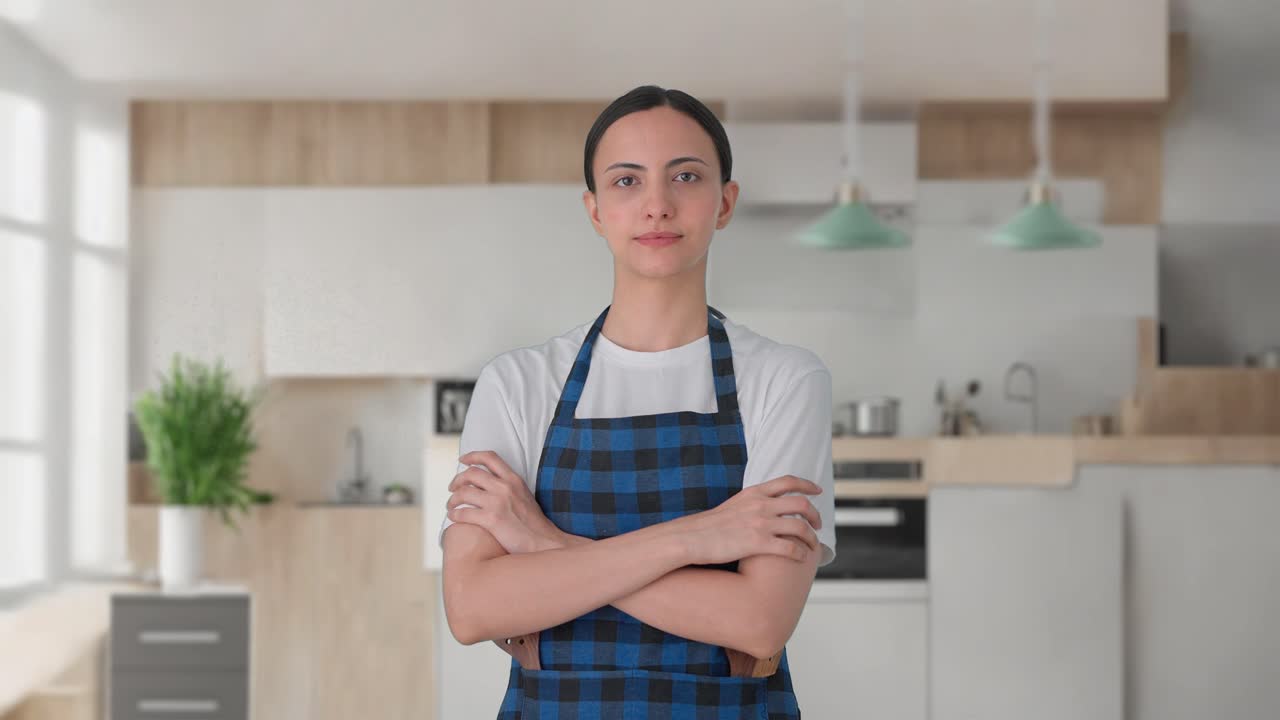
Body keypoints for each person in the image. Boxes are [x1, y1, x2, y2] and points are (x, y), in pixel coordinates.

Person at [439, 84, 836, 719]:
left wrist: (546, 547)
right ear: (595, 210)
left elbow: (760, 622)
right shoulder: (518, 383)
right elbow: (474, 608)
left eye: (685, 175)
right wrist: (696, 539)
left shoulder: (785, 380)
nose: (657, 205)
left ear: (724, 202)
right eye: (627, 181)